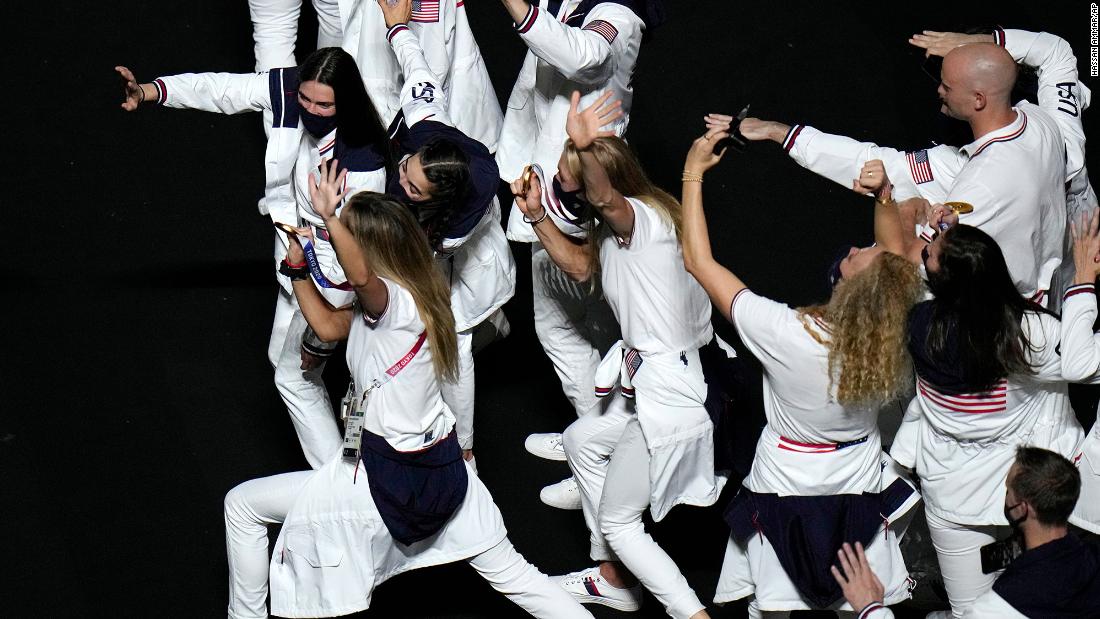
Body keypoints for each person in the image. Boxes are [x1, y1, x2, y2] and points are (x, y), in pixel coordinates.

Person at [223, 179, 594, 619]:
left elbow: (360, 278)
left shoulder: (391, 304)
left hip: (382, 484)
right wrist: (300, 269)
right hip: (446, 475)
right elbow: (325, 327)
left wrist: (326, 215)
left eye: (346, 235)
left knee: (241, 507)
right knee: (518, 576)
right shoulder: (424, 290)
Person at [678, 127, 924, 616]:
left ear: (851, 289)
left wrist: (692, 175)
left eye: (861, 254)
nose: (857, 248)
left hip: (785, 484)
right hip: (856, 481)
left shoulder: (790, 334)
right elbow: (894, 257)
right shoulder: (900, 328)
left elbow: (698, 261)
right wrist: (884, 196)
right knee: (856, 599)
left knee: (772, 603)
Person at [116, 46, 392, 469]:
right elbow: (224, 89)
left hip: (326, 282)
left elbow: (354, 267)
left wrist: (322, 333)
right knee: (281, 359)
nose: (311, 110)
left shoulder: (362, 163)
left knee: (295, 376)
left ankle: (339, 485)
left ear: (346, 103)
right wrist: (155, 90)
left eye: (324, 104)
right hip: (295, 261)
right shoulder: (287, 90)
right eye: (305, 99)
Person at [511, 92, 727, 618]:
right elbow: (583, 270)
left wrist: (584, 149)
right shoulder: (617, 232)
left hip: (679, 394)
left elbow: (608, 202)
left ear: (597, 178)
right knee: (582, 438)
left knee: (621, 522)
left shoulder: (642, 223)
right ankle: (611, 574)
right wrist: (538, 216)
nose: (565, 186)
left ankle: (687, 611)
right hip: (666, 379)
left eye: (572, 179)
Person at [734, 29, 1087, 306]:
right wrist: (779, 133)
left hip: (1016, 318)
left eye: (947, 85)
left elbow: (912, 260)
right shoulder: (1046, 124)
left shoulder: (980, 188)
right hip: (1073, 260)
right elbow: (1056, 51)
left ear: (979, 99)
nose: (939, 91)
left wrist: (894, 206)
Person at [887, 217, 1100, 617]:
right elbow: (1082, 363)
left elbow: (912, 261)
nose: (926, 246)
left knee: (973, 611)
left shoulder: (919, 324)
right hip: (1034, 492)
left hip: (955, 498)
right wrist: (1083, 281)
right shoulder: (1027, 336)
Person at [495, 0, 657, 506]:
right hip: (551, 176)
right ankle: (591, 437)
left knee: (606, 336)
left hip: (582, 193)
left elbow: (585, 56)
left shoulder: (619, 12)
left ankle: (614, 463)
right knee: (562, 328)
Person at [376, 0, 516, 461]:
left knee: (452, 343)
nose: (401, 182)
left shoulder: (469, 202)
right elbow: (418, 71)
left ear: (439, 198)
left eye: (413, 188)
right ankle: (494, 325)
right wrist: (398, 28)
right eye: (405, 170)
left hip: (460, 259)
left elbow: (429, 254)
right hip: (431, 237)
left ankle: (466, 452)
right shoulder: (426, 128)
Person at [831, 448, 1100, 618]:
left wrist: (870, 608)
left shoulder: (1004, 605)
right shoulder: (1087, 554)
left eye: (1008, 491)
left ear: (1022, 508)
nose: (1004, 497)